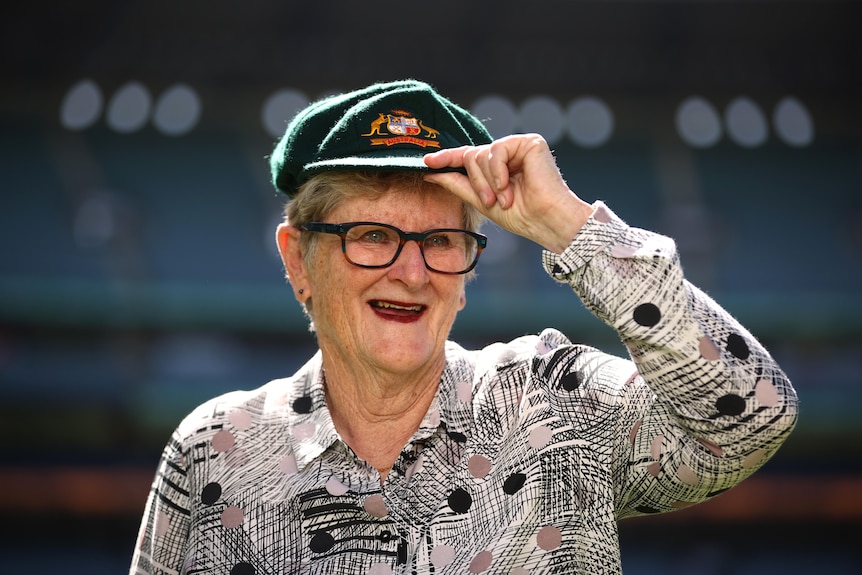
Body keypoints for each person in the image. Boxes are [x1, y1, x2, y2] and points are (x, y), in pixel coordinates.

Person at [129, 79, 798, 575]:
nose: (412, 272)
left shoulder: (554, 403)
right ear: (298, 259)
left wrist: (572, 228)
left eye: (443, 240)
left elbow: (754, 416)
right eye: (371, 235)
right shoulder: (211, 451)